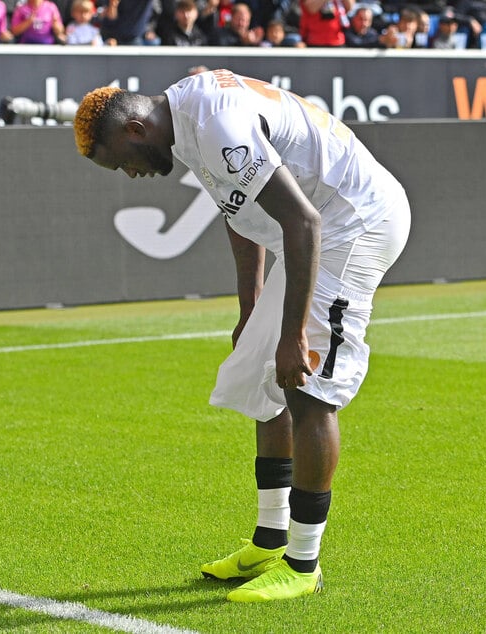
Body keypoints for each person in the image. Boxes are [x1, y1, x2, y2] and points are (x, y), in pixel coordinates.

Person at [72, 68, 411, 602]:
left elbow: (302, 223)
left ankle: (302, 565)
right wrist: (251, 308)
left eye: (121, 162)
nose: (129, 174)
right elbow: (239, 209)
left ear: (136, 128)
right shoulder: (185, 119)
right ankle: (270, 540)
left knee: (306, 385)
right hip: (317, 225)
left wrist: (293, 333)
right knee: (261, 378)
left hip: (352, 222)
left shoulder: (213, 121)